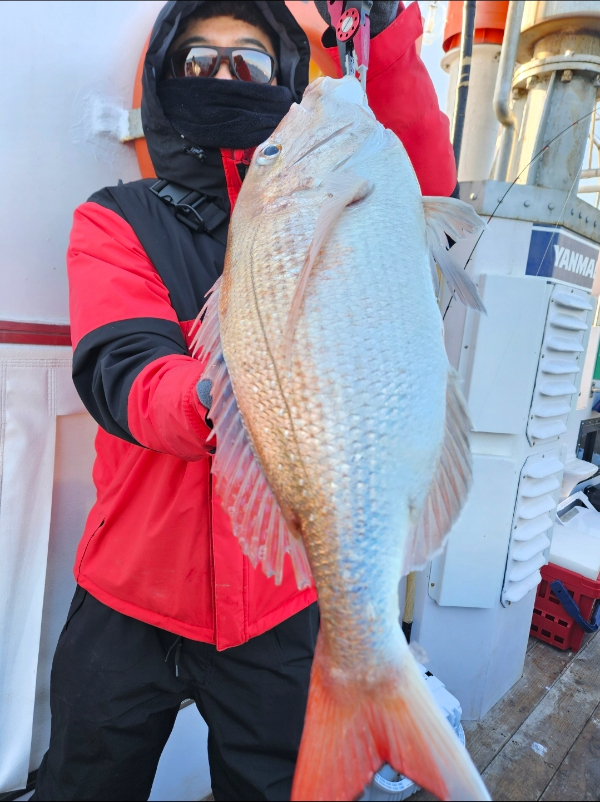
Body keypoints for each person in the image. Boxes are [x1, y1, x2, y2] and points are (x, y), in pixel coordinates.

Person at [33, 2, 457, 800]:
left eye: (250, 62)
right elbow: (124, 370)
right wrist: (238, 399)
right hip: (130, 590)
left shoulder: (357, 195)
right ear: (165, 82)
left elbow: (426, 178)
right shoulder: (117, 218)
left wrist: (387, 32)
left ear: (284, 83)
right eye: (198, 61)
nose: (223, 76)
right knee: (84, 783)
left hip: (277, 602)